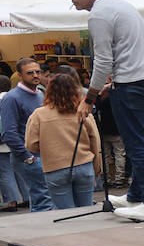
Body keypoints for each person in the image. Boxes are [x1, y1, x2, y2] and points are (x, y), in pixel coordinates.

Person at [69, 0, 144, 219]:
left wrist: (89, 98)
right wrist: (111, 83)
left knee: (136, 146)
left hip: (132, 86)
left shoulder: (98, 15)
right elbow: (129, 52)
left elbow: (103, 61)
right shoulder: (121, 4)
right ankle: (136, 196)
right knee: (142, 142)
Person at [24, 72, 102, 210]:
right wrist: (96, 169)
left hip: (55, 168)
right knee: (86, 209)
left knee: (65, 213)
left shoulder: (39, 115)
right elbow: (95, 141)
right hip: (84, 165)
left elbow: (31, 145)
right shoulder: (83, 112)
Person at [1, 58, 54, 212]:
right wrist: (27, 156)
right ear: (20, 75)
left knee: (41, 198)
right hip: (28, 157)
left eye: (38, 72)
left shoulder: (40, 94)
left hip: (42, 155)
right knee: (42, 198)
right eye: (30, 73)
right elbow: (8, 133)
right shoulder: (12, 98)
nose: (35, 75)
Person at [0, 76, 22, 210]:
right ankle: (27, 197)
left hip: (2, 142)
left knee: (5, 172)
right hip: (17, 139)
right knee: (19, 170)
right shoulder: (14, 97)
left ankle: (12, 201)